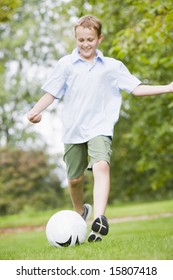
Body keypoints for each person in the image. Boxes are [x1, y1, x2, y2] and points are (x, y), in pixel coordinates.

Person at [27, 15, 173, 242]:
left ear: (100, 38)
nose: (85, 44)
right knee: (74, 180)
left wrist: (168, 87)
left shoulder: (112, 67)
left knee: (101, 165)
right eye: (81, 40)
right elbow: (51, 93)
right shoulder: (66, 64)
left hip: (100, 127)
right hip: (73, 130)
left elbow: (136, 89)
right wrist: (35, 111)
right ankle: (80, 213)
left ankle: (100, 218)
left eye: (90, 39)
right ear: (75, 38)